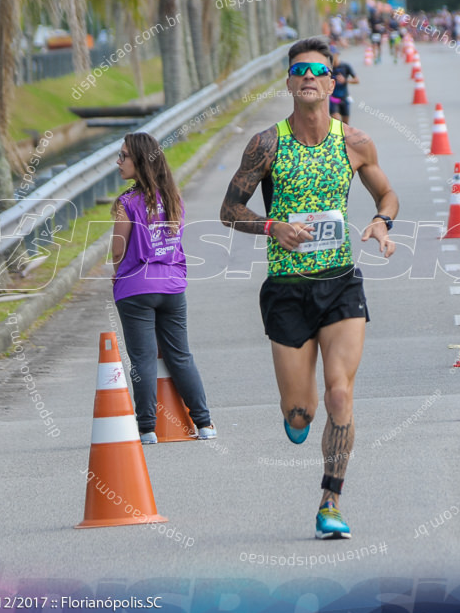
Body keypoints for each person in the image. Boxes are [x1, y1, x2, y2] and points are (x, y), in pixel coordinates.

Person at [219, 37, 398, 539]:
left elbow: (386, 192)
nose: (309, 77)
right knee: (301, 413)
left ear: (332, 81)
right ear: (289, 82)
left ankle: (330, 502)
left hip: (340, 284)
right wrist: (272, 226)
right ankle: (298, 418)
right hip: (287, 288)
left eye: (319, 70)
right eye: (300, 70)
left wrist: (383, 222)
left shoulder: (355, 142)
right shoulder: (266, 144)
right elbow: (229, 210)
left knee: (340, 396)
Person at [111, 132, 216, 444]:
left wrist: (117, 276)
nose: (118, 162)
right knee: (180, 355)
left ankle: (146, 429)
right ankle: (205, 424)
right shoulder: (173, 197)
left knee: (142, 359)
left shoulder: (126, 202)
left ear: (140, 162)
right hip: (172, 287)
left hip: (136, 290)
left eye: (123, 156)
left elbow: (118, 250)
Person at [328, 47, 359, 125]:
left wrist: (345, 80)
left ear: (337, 54)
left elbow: (357, 80)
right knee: (336, 121)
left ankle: (344, 137)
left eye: (333, 55)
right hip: (333, 99)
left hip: (344, 98)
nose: (332, 58)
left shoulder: (345, 66)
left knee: (345, 125)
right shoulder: (328, 69)